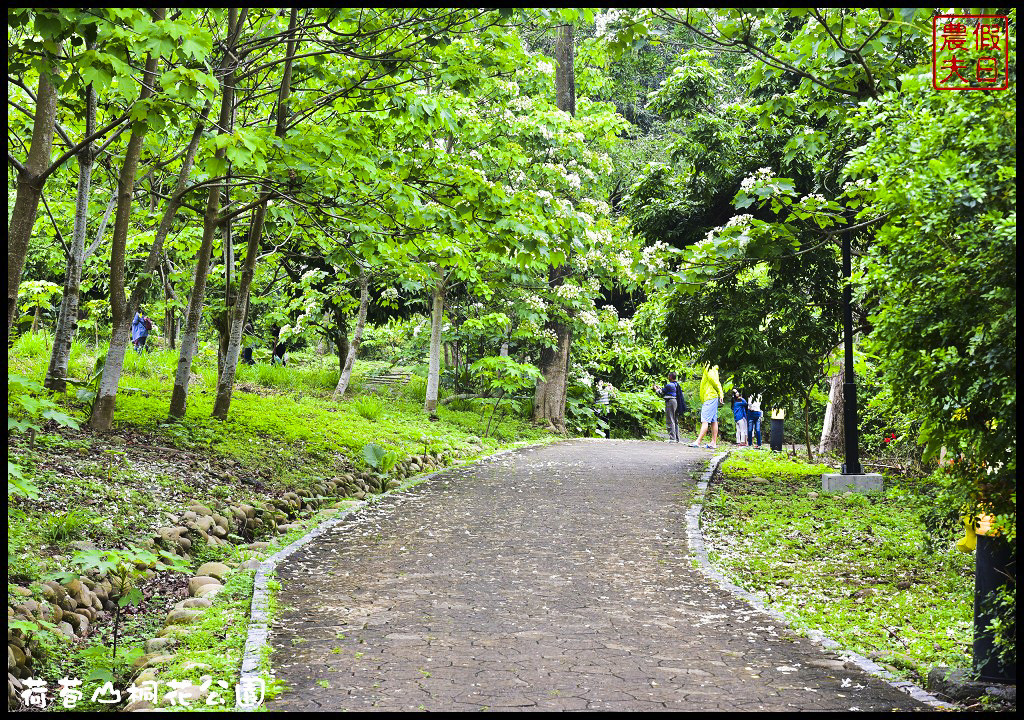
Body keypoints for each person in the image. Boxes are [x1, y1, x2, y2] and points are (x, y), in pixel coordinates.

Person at [689, 363, 724, 449]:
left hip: (710, 396)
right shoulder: (713, 367)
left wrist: (721, 393)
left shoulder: (709, 366)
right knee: (713, 420)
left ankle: (698, 441)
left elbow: (713, 380)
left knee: (705, 420)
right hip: (712, 397)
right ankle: (713, 443)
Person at [652, 372, 687, 443]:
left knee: (670, 419)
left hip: (670, 402)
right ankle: (677, 438)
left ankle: (672, 438)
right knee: (675, 420)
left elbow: (661, 393)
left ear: (670, 377)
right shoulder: (676, 384)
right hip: (676, 402)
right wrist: (660, 388)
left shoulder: (669, 385)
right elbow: (666, 390)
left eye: (668, 376)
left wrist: (656, 389)